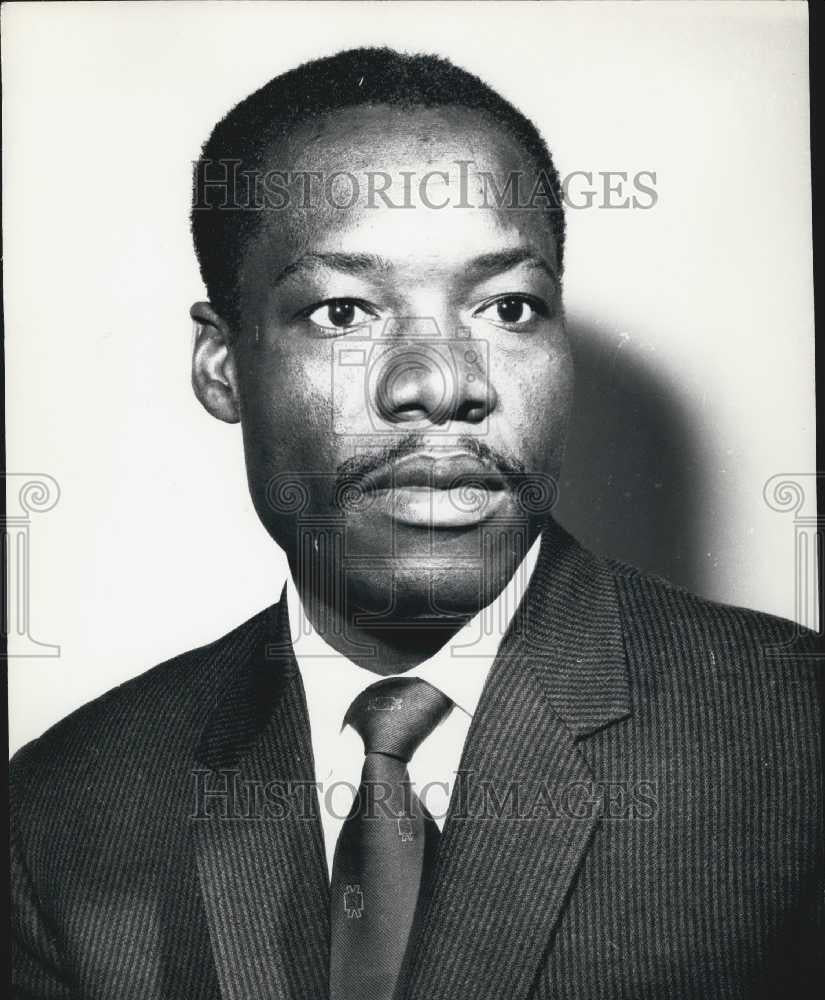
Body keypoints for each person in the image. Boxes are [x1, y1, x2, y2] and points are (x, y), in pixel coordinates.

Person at [10, 47, 822, 1000]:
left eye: (509, 306)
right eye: (344, 311)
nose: (442, 384)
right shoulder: (65, 811)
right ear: (223, 366)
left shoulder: (796, 750)